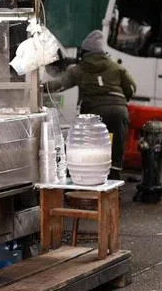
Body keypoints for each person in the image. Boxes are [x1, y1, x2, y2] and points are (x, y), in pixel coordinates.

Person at [45, 30, 136, 180]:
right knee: (115, 146)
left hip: (95, 112)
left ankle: (93, 180)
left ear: (84, 52)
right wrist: (123, 100)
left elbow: (59, 84)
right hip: (119, 111)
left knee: (94, 148)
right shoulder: (116, 67)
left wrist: (39, 88)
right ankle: (114, 183)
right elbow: (131, 87)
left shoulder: (79, 70)